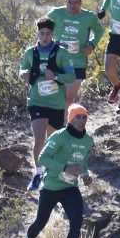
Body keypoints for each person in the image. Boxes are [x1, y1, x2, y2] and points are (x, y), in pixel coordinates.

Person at [19, 103, 93, 238]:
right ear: (70, 118)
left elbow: (83, 162)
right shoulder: (59, 137)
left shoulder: (88, 140)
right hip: (51, 186)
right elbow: (43, 158)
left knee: (77, 221)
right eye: (78, 117)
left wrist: (85, 174)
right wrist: (65, 167)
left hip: (70, 188)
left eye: (84, 117)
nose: (82, 120)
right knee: (40, 223)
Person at [21, 16, 77, 185]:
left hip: (56, 104)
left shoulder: (62, 53)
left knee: (53, 142)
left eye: (48, 34)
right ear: (37, 33)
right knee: (39, 138)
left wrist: (56, 76)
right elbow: (22, 68)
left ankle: (53, 172)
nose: (45, 37)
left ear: (52, 34)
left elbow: (71, 76)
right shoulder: (30, 52)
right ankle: (37, 173)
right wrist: (23, 74)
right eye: (42, 33)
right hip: (37, 101)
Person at [46, 0, 103, 109]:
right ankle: (59, 124)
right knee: (55, 97)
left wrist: (91, 45)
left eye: (76, 3)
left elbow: (99, 31)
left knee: (69, 98)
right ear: (65, 2)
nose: (72, 6)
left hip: (78, 62)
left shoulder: (89, 17)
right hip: (58, 61)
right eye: (69, 2)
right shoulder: (56, 13)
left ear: (81, 3)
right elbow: (43, 28)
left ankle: (66, 125)